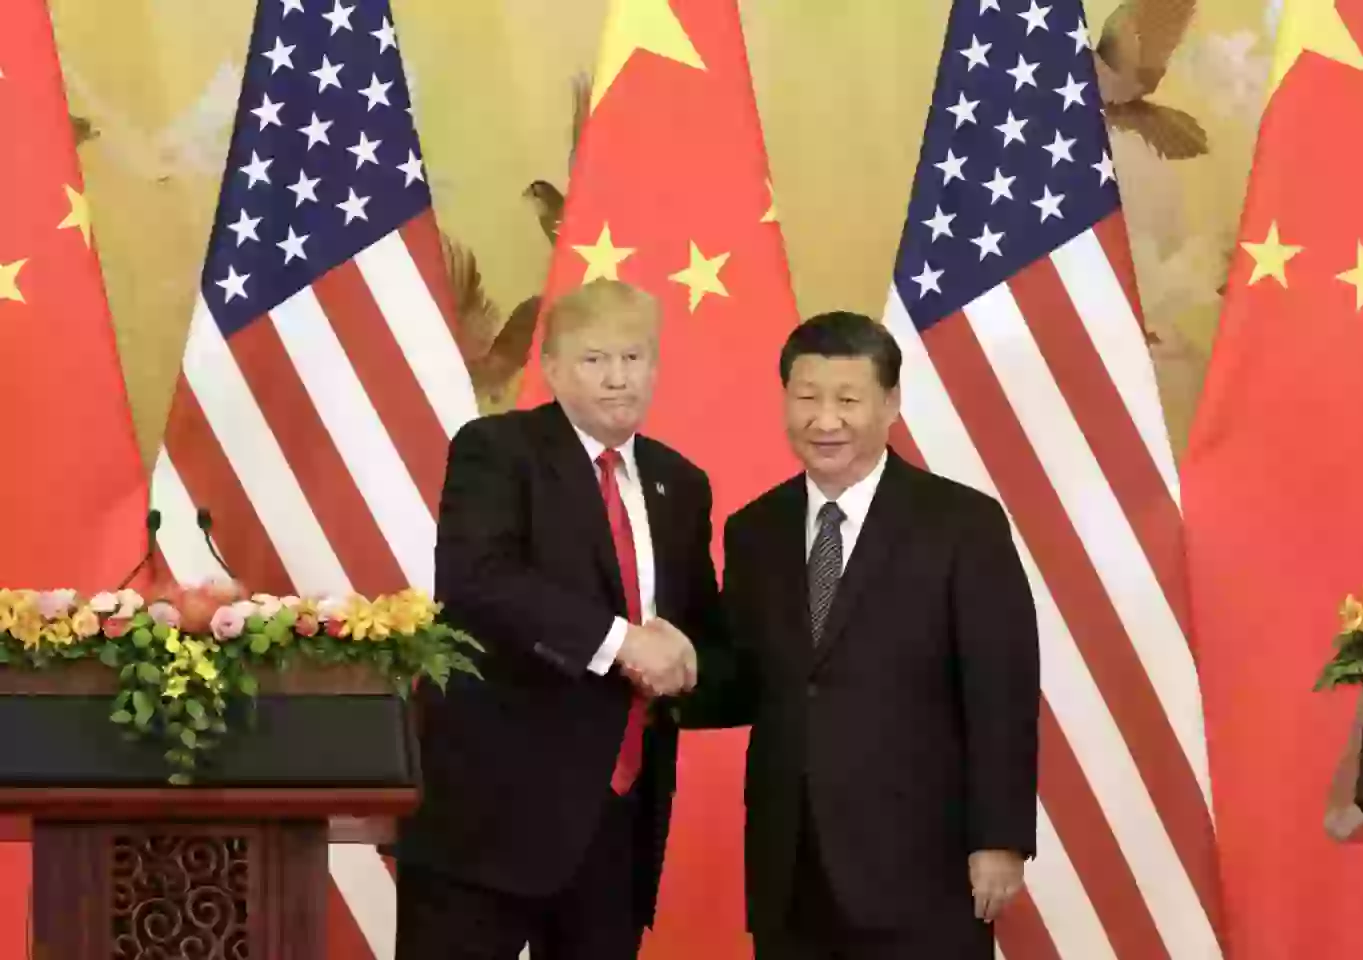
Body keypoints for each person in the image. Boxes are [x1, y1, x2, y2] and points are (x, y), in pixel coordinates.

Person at [686, 311, 1041, 958]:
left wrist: (1000, 837)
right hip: (789, 866)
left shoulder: (963, 523)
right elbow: (743, 682)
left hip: (923, 866)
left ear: (891, 404)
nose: (826, 421)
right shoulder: (754, 529)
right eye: (807, 398)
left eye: (848, 400)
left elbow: (1003, 690)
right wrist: (657, 669)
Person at [394, 279, 720, 960]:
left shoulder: (680, 482)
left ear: (656, 367)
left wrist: (691, 662)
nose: (617, 378)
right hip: (490, 818)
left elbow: (696, 630)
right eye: (594, 359)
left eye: (633, 358)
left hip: (617, 824)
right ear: (552, 367)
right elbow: (477, 581)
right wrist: (623, 641)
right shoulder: (496, 450)